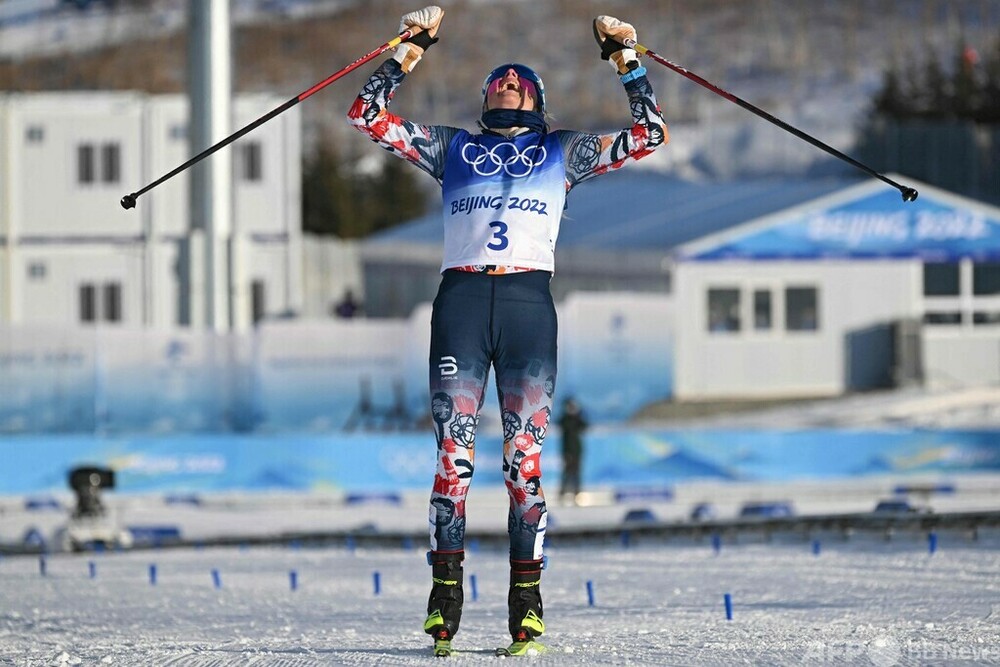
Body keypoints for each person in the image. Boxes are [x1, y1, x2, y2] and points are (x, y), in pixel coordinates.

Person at [348, 6, 667, 656]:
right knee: (453, 461)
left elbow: (650, 134)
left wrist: (626, 58)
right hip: (463, 304)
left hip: (526, 306)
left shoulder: (561, 150)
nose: (508, 83)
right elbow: (367, 114)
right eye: (498, 80)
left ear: (538, 100)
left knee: (523, 466)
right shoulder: (453, 147)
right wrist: (410, 48)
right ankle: (444, 597)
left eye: (520, 81)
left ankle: (527, 607)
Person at [558, 397, 588, 504]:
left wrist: (578, 415)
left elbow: (584, 426)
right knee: (567, 473)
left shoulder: (577, 419)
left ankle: (577, 494)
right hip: (567, 451)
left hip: (577, 451)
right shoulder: (565, 419)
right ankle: (562, 494)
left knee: (576, 473)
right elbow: (562, 424)